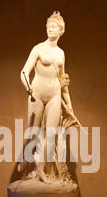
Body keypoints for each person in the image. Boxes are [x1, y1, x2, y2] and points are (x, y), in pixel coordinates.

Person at [18, 11, 82, 184]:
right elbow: (24, 72)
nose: (50, 29)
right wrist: (28, 88)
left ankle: (41, 168)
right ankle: (26, 157)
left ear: (61, 30)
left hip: (54, 95)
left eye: (53, 27)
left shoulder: (61, 53)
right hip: (36, 94)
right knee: (34, 131)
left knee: (51, 134)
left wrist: (69, 104)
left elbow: (63, 80)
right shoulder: (38, 49)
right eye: (48, 26)